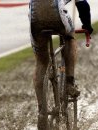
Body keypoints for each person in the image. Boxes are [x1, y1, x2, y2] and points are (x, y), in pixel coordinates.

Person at [29, 0, 93, 129]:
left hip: (35, 18)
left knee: (41, 62)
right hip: (57, 14)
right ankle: (69, 82)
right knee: (70, 38)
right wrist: (87, 25)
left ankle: (42, 112)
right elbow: (83, 4)